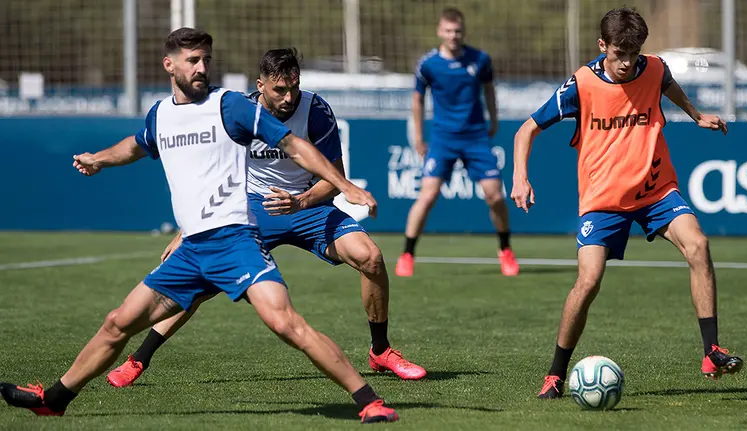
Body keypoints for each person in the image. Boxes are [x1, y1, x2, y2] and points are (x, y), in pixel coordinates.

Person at [0, 28, 398, 424]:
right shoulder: (161, 114)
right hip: (192, 251)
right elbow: (137, 145)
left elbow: (295, 145)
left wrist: (344, 186)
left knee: (285, 323)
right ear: (169, 65)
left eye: (206, 59)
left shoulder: (230, 106)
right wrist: (100, 158)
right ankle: (54, 398)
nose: (202, 67)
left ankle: (367, 399)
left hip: (235, 241)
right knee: (116, 323)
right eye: (193, 60)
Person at [105, 48, 426, 388]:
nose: (289, 97)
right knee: (199, 285)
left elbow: (333, 179)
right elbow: (217, 179)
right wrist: (187, 231)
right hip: (251, 209)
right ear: (260, 86)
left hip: (308, 207)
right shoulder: (239, 112)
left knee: (371, 258)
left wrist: (299, 202)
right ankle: (139, 358)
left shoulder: (315, 111)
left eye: (294, 88)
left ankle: (380, 351)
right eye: (280, 90)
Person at [510, 7, 743, 399]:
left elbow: (667, 83)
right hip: (603, 200)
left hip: (655, 190)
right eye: (619, 54)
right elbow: (526, 129)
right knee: (588, 281)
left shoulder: (653, 68)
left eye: (633, 54)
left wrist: (695, 114)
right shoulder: (581, 84)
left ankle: (711, 352)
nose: (627, 62)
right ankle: (554, 374)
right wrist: (520, 177)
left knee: (699, 245)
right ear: (602, 46)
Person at [394, 7, 519, 277]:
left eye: (457, 31)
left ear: (463, 32)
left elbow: (489, 89)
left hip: (475, 136)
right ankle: (407, 254)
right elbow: (417, 100)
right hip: (443, 139)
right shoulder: (428, 64)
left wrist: (493, 120)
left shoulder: (480, 59)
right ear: (440, 31)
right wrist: (418, 137)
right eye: (448, 31)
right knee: (427, 196)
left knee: (495, 196)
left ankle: (505, 250)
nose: (453, 36)